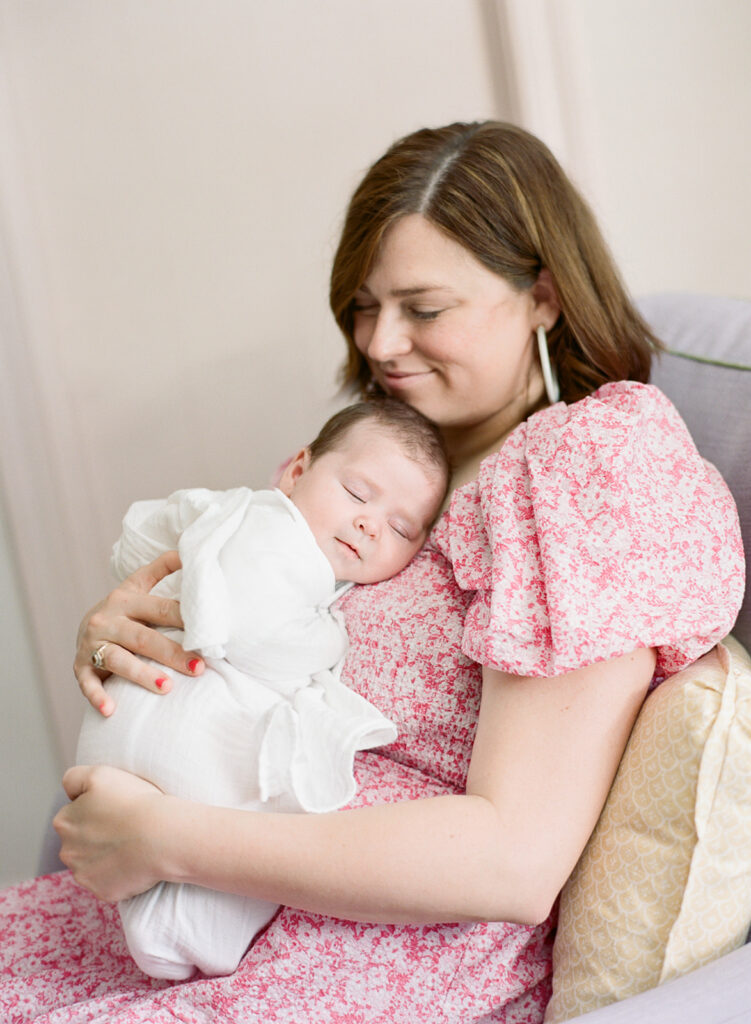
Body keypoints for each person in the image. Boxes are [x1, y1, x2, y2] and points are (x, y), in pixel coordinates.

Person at [0, 121, 744, 1024]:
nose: (383, 344)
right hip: (192, 915)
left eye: (423, 309)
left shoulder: (580, 465)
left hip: (365, 960)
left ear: (543, 297)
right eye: (362, 306)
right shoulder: (388, 473)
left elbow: (511, 860)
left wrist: (168, 840)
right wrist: (127, 629)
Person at [75, 397, 449, 981]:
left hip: (145, 764)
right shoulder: (273, 531)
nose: (371, 524)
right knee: (278, 787)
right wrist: (328, 642)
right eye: (357, 494)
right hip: (170, 723)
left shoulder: (305, 557)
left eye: (402, 529)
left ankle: (169, 928)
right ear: (296, 471)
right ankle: (180, 932)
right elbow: (254, 635)